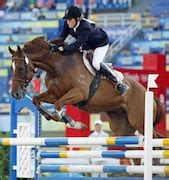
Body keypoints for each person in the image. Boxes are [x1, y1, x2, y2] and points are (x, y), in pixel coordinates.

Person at [50, 5, 129, 96]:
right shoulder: (68, 24)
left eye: (70, 20)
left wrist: (60, 48)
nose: (68, 22)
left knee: (96, 63)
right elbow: (61, 38)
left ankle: (118, 82)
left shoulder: (85, 28)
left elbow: (75, 45)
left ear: (78, 19)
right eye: (67, 20)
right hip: (86, 44)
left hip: (100, 44)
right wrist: (51, 45)